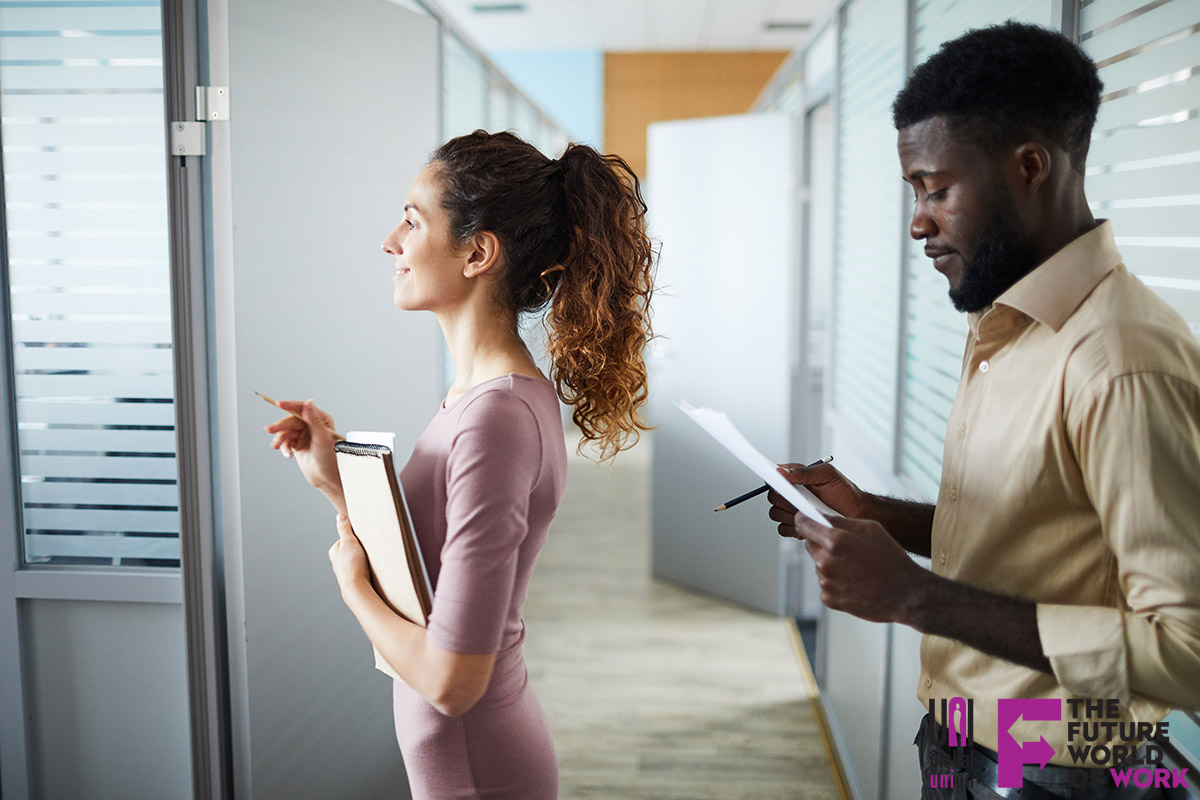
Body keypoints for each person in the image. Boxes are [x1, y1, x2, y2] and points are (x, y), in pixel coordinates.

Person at [768, 22, 1200, 799]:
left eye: (936, 189)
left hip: (1063, 769)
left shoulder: (1120, 361)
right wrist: (874, 515)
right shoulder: (1006, 324)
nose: (918, 222)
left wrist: (914, 596)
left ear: (1029, 167)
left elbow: (1189, 650)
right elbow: (1040, 535)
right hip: (965, 742)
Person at [264, 130, 655, 799]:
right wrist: (336, 485)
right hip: (463, 757)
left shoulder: (495, 418)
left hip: (477, 770)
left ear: (477, 253)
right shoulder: (481, 397)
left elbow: (453, 681)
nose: (390, 242)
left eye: (412, 221)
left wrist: (352, 588)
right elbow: (429, 570)